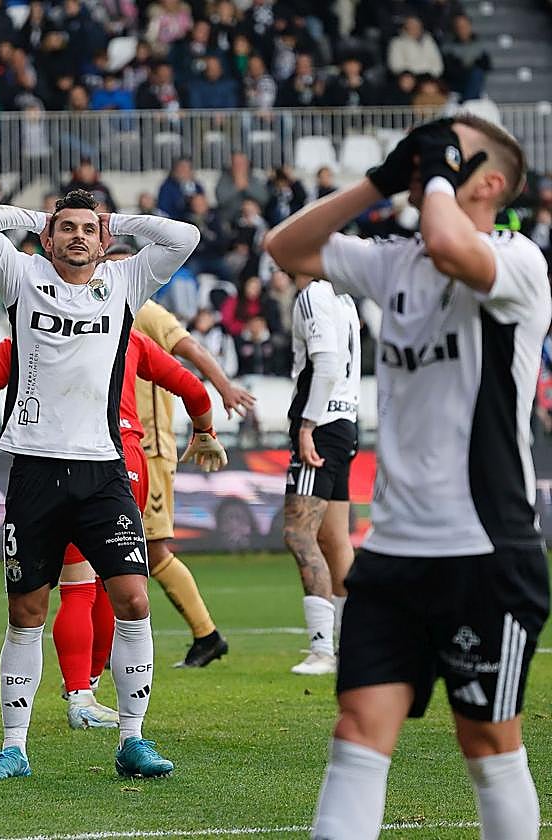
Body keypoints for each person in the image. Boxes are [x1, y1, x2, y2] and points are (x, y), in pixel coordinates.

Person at [264, 115, 548, 838]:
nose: (431, 157)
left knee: (486, 743)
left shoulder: (517, 258)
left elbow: (455, 246)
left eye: (451, 151)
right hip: (393, 553)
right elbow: (286, 247)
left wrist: (440, 181)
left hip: (486, 552)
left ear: (489, 181)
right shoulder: (395, 259)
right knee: (358, 728)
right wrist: (380, 181)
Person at [0, 189, 220, 782]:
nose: (78, 237)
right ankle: (14, 748)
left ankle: (133, 740)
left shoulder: (125, 283)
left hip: (103, 472)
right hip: (35, 468)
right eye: (66, 228)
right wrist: (36, 218)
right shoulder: (20, 276)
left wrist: (113, 221)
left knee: (133, 599)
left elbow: (185, 236)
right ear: (47, 240)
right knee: (27, 610)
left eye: (89, 230)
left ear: (105, 242)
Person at [0, 327, 222, 729]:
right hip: (127, 457)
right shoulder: (126, 332)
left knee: (77, 584)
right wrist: (204, 431)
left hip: (66, 461)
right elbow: (191, 387)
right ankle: (95, 694)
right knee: (115, 586)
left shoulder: (26, 336)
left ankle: (81, 694)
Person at [132, 296, 254, 667]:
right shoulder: (102, 307)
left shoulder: (145, 310)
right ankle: (106, 647)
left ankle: (207, 635)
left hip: (149, 448)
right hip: (120, 448)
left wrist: (223, 386)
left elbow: (191, 348)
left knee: (152, 551)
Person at [280, 272, 361, 676]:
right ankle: (352, 647)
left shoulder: (313, 293)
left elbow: (327, 362)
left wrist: (307, 424)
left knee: (298, 533)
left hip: (323, 425)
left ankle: (322, 649)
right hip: (346, 421)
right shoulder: (344, 298)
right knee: (334, 538)